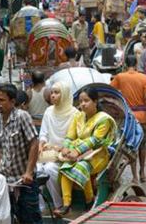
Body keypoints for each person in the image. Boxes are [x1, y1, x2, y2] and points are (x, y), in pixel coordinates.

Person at [56, 87, 117, 216]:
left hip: (98, 155)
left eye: (86, 100)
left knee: (82, 166)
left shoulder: (104, 119)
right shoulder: (78, 116)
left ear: (95, 102)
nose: (82, 104)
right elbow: (70, 135)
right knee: (65, 167)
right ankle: (66, 204)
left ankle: (89, 201)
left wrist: (77, 151)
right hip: (78, 154)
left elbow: (95, 140)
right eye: (81, 101)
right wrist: (66, 147)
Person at [0, 84, 41, 223]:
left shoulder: (22, 116)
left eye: (2, 100)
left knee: (31, 218)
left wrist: (29, 172)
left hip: (24, 180)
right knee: (7, 218)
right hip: (4, 181)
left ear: (13, 102)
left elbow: (34, 143)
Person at [111, 55, 146, 182]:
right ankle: (143, 173)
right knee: (142, 145)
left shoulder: (120, 77)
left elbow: (111, 92)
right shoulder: (143, 77)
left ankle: (134, 176)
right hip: (141, 115)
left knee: (131, 146)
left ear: (125, 64)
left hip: (128, 117)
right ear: (136, 63)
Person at [38, 82, 79, 210]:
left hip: (65, 154)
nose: (53, 96)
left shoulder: (75, 114)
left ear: (65, 94)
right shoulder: (48, 111)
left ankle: (58, 204)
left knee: (49, 169)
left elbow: (76, 139)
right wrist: (41, 144)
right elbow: (43, 133)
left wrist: (60, 148)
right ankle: (40, 205)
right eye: (52, 93)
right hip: (48, 152)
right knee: (36, 168)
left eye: (57, 92)